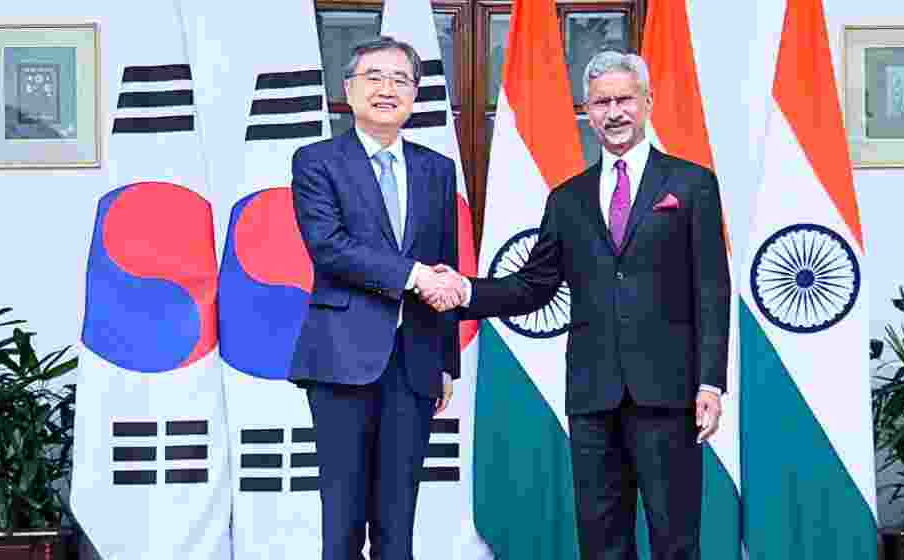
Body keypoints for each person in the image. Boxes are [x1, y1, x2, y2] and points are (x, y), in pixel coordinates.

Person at [430, 50, 729, 560]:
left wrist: (710, 382)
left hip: (669, 395)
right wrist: (466, 291)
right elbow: (534, 286)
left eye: (624, 100)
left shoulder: (691, 183)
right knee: (601, 543)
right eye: (600, 102)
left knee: (675, 540)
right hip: (593, 397)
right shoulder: (566, 199)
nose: (613, 112)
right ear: (586, 111)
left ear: (647, 103)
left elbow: (712, 288)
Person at [289, 35, 463, 560]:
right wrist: (412, 275)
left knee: (397, 525)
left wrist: (446, 361)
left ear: (415, 94)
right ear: (349, 90)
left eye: (401, 80)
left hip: (414, 365)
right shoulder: (317, 161)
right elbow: (330, 248)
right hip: (341, 358)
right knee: (341, 524)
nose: (387, 89)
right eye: (375, 77)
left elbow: (444, 267)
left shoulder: (437, 169)